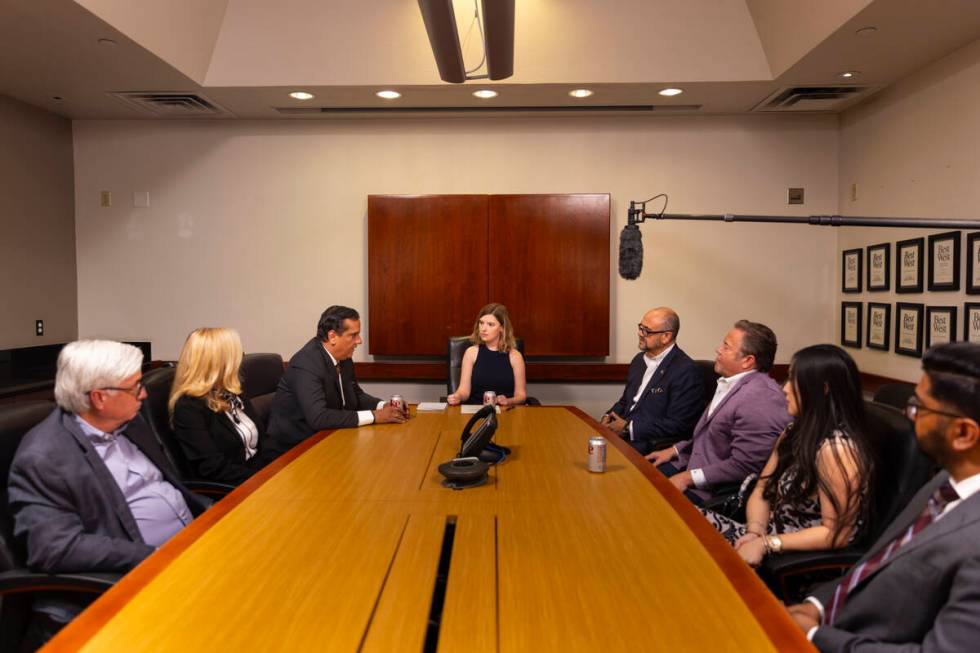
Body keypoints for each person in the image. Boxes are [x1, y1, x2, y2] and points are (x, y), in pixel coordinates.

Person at [7, 340, 210, 648]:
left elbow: (171, 487)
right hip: (127, 588)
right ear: (99, 397)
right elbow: (55, 548)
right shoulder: (44, 456)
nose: (143, 394)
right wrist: (156, 557)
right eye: (134, 387)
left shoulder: (129, 421)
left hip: (189, 557)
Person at [787, 342, 980, 651]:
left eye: (919, 407)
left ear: (963, 434)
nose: (910, 415)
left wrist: (814, 636)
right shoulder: (946, 481)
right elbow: (874, 564)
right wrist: (816, 606)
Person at [700, 344, 877, 567]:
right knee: (682, 519)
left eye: (793, 380)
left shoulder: (838, 450)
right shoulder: (794, 431)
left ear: (822, 389)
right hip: (767, 536)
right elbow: (763, 488)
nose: (784, 388)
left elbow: (837, 534)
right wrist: (755, 532)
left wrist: (767, 543)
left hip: (797, 558)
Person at [646, 320, 790, 504]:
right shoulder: (732, 382)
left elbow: (746, 465)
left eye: (726, 347)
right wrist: (675, 449)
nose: (718, 350)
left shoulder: (761, 398)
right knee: (638, 480)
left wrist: (687, 478)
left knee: (645, 506)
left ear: (748, 361)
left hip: (712, 492)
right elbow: (713, 435)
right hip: (689, 464)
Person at [265, 305, 407, 455]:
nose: (359, 341)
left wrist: (383, 406)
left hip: (326, 440)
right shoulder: (306, 363)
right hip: (292, 451)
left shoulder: (344, 358)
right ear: (332, 336)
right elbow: (319, 418)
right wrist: (374, 416)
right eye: (353, 335)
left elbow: (355, 395)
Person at [169, 327, 272, 486]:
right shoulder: (189, 407)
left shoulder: (232, 391)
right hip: (234, 488)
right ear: (218, 361)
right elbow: (213, 468)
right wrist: (263, 479)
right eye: (237, 354)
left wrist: (280, 467)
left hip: (257, 475)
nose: (241, 358)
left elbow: (261, 443)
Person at [599, 307, 704, 455]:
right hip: (621, 436)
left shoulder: (686, 370)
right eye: (640, 327)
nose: (640, 333)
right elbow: (625, 402)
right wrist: (608, 417)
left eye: (646, 331)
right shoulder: (638, 361)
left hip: (649, 444)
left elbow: (679, 425)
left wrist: (629, 428)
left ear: (666, 336)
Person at [447, 303, 527, 407]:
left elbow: (521, 396)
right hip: (475, 411)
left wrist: (508, 401)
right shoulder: (471, 352)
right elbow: (464, 391)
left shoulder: (515, 356)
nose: (483, 329)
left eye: (490, 324)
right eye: (481, 323)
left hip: (505, 412)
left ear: (502, 328)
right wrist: (458, 396)